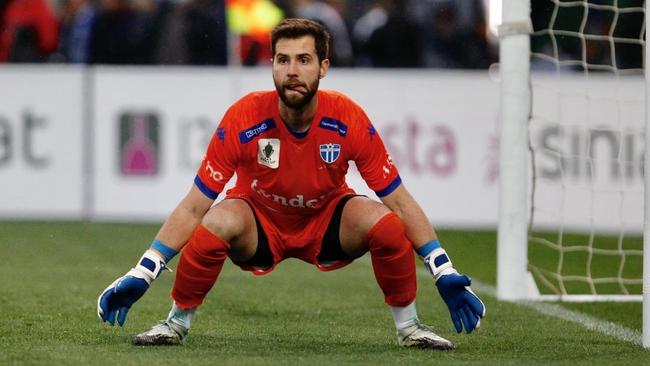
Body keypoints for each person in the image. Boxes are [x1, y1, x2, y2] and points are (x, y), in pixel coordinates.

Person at [97, 18, 485, 350]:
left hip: (326, 216)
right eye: (283, 60)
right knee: (215, 222)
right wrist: (143, 270)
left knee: (385, 223)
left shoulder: (347, 117)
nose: (292, 71)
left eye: (304, 60)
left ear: (324, 67)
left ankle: (410, 328)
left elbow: (400, 202)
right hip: (259, 221)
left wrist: (442, 268)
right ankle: (175, 323)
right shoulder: (244, 116)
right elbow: (193, 206)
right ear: (272, 66)